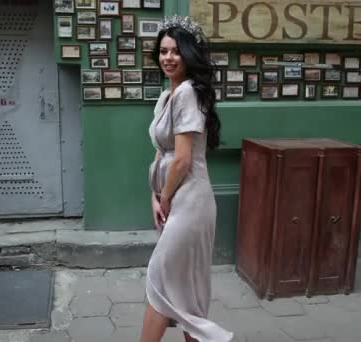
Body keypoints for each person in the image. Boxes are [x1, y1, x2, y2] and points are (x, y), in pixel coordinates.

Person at [140, 15, 234, 342]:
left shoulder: (188, 94)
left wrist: (164, 197)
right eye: (163, 51)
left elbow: (180, 160)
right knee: (184, 285)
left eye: (176, 51)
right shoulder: (167, 97)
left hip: (190, 200)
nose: (168, 57)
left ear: (189, 55)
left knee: (160, 276)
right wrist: (155, 196)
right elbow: (160, 150)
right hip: (173, 198)